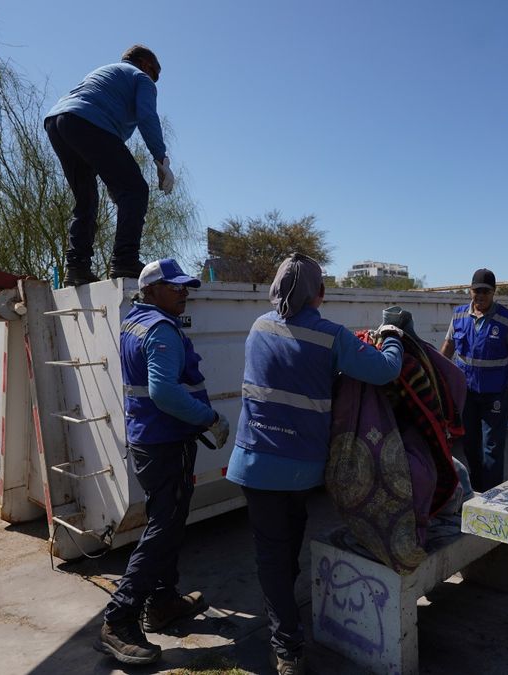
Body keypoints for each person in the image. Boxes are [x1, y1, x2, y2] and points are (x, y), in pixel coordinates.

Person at [228, 253, 405, 674]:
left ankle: (282, 618)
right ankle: (287, 644)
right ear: (320, 294)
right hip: (301, 470)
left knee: (277, 553)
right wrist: (393, 333)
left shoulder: (258, 328)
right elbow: (385, 370)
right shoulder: (332, 337)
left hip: (254, 464)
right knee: (283, 550)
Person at [96, 258, 230, 665]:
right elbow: (165, 393)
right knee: (162, 528)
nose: (184, 292)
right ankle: (119, 618)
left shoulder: (133, 321)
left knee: (166, 523)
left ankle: (163, 600)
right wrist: (210, 418)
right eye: (175, 287)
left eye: (185, 286)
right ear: (151, 290)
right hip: (166, 441)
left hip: (148, 440)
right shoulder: (162, 331)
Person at [45, 45, 176, 287]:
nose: (155, 80)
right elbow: (147, 116)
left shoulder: (107, 72)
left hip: (58, 121)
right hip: (88, 121)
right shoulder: (141, 78)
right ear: (146, 65)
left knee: (86, 200)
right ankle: (125, 260)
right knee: (135, 190)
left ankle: (77, 267)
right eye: (156, 74)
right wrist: (161, 159)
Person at [440, 268, 508, 492]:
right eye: (476, 290)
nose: (481, 295)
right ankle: (475, 491)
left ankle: (491, 495)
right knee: (470, 446)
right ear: (470, 291)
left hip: (494, 395)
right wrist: (435, 375)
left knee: (491, 447)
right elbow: (447, 348)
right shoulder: (459, 316)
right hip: (467, 394)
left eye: (486, 291)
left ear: (493, 293)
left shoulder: (506, 320)